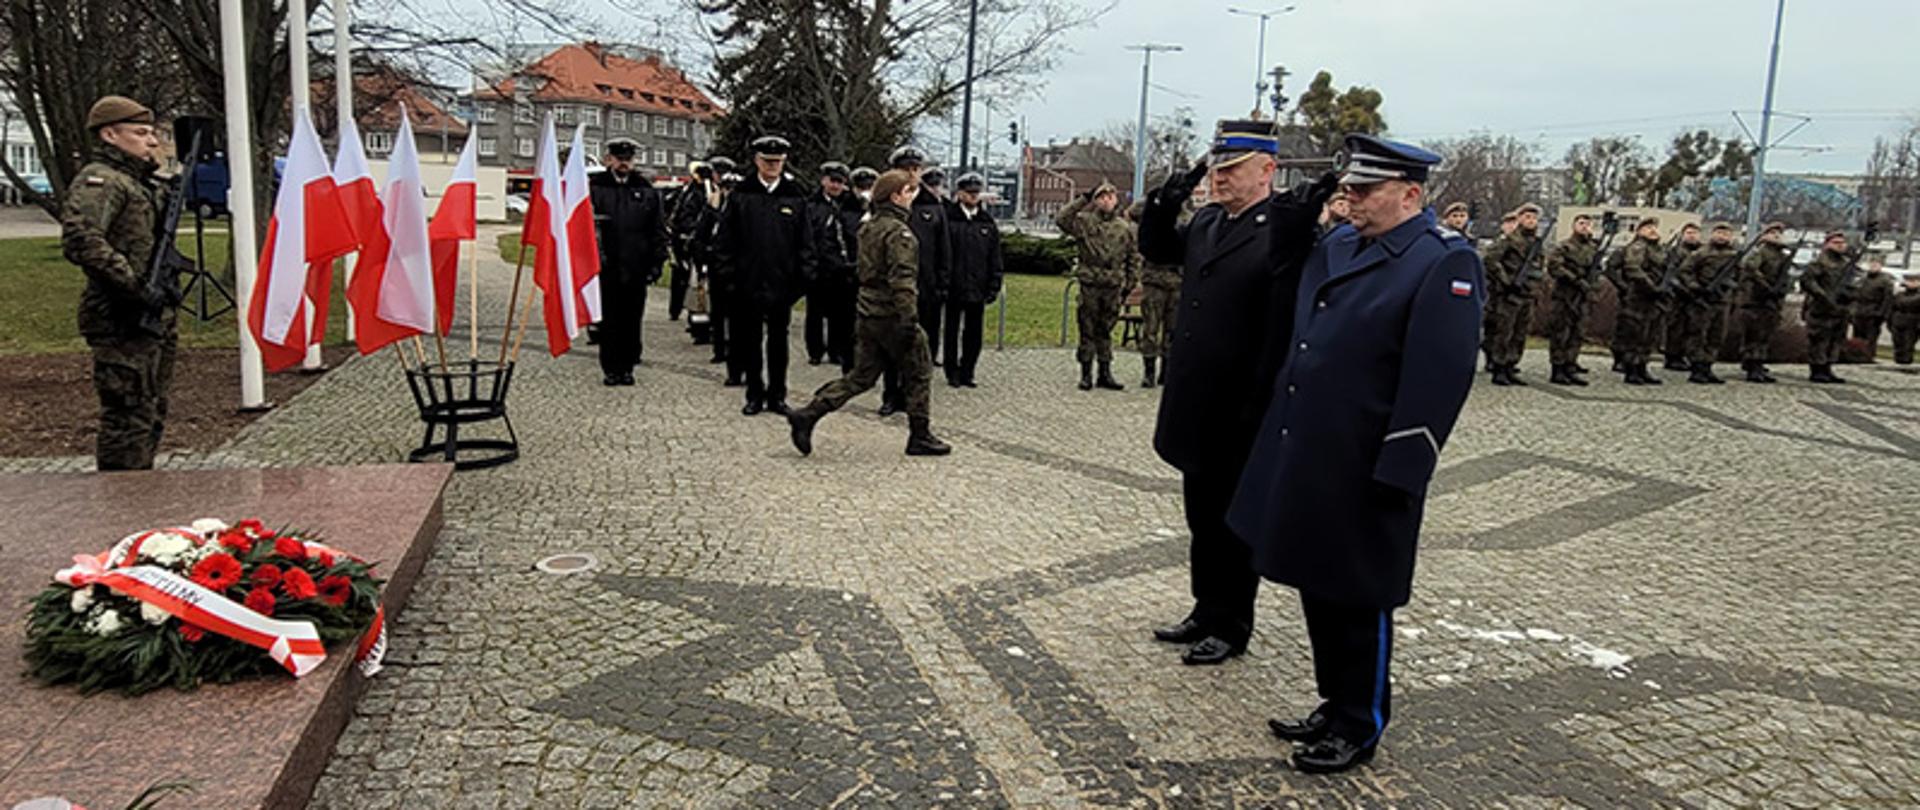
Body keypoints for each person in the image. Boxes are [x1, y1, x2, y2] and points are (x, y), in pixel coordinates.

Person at [1229, 134, 1483, 775]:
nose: (1351, 199)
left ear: (1410, 194)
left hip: (1368, 460)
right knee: (1318, 582)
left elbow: (1438, 378)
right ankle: (1332, 699)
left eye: (1364, 190)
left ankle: (1358, 722)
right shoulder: (1342, 243)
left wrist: (1401, 467)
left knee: (1358, 596)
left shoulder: (1442, 262)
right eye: (1348, 188)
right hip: (1312, 447)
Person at [1137, 117, 1333, 668]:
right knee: (1201, 515)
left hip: (1241, 403)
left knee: (1232, 521)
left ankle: (1231, 623)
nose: (1218, 180)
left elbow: (1279, 328)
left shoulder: (1282, 230)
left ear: (1267, 170)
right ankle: (1205, 607)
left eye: (1231, 170)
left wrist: (1262, 403)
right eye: (1216, 170)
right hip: (1196, 397)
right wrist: (1164, 200)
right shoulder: (1206, 222)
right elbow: (1158, 249)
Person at [785, 170, 952, 457]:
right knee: (920, 371)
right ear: (896, 196)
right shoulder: (900, 233)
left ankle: (810, 413)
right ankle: (920, 435)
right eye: (909, 192)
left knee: (861, 376)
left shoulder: (870, 226)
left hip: (868, 311)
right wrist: (909, 321)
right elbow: (902, 280)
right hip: (892, 314)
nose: (913, 198)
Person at [62, 95, 174, 471]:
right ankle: (122, 499)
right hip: (121, 314)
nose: (152, 142)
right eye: (140, 133)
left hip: (151, 313)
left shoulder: (137, 182)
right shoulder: (103, 181)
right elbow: (82, 240)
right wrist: (136, 286)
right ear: (110, 134)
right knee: (126, 415)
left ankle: (141, 486)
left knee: (150, 409)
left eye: (151, 133)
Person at [712, 135, 815, 415]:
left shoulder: (795, 196)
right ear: (757, 161)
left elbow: (806, 244)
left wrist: (801, 282)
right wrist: (730, 279)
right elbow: (724, 242)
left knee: (779, 344)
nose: (772, 166)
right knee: (750, 342)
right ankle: (754, 394)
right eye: (767, 161)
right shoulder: (741, 196)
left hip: (783, 284)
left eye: (778, 161)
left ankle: (777, 395)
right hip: (747, 283)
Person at [588, 138, 669, 386]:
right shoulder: (595, 188)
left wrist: (657, 262)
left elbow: (657, 229)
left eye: (628, 159)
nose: (624, 163)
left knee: (632, 318)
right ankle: (611, 368)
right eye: (619, 158)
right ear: (609, 159)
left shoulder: (646, 190)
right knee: (609, 319)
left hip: (637, 265)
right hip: (607, 265)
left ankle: (628, 365)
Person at [878, 146, 952, 416]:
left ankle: (916, 398)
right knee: (893, 345)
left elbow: (944, 251)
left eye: (915, 169)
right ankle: (891, 395)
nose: (911, 174)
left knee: (923, 348)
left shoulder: (932, 207)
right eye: (905, 169)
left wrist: (942, 284)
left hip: (926, 288)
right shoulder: (885, 205)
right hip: (896, 290)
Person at [1056, 182, 1137, 391]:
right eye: (1101, 197)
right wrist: (1083, 199)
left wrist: (1129, 284)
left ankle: (1105, 372)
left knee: (1106, 330)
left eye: (1110, 196)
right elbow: (1062, 219)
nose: (1106, 200)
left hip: (1113, 284)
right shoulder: (1084, 222)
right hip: (1091, 283)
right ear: (1096, 200)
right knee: (1087, 329)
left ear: (1116, 200)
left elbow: (1132, 258)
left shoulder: (1124, 227)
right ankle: (1085, 373)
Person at [943, 172, 1003, 387]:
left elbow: (994, 257)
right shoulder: (949, 219)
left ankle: (968, 371)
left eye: (976, 193)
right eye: (969, 193)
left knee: (974, 333)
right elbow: (943, 253)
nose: (973, 197)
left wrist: (994, 284)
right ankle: (952, 372)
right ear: (959, 194)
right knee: (951, 331)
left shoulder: (986, 222)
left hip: (978, 286)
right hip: (954, 286)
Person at [805, 161, 862, 370]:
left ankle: (837, 350)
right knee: (815, 313)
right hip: (820, 267)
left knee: (841, 314)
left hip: (844, 269)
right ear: (824, 181)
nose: (836, 186)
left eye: (840, 182)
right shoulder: (812, 205)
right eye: (832, 181)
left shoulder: (851, 206)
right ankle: (815, 350)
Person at [1481, 203, 1544, 385]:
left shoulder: (1536, 243)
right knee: (1505, 331)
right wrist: (1506, 280)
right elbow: (1490, 260)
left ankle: (1511, 365)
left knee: (1520, 333)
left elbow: (1539, 267)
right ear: (1519, 219)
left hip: (1527, 294)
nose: (1531, 221)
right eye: (1527, 217)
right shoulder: (1509, 240)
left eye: (1534, 218)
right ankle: (1499, 367)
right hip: (1509, 294)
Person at [1673, 223, 1737, 384]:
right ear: (1712, 235)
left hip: (1722, 301)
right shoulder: (1701, 253)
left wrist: (1731, 286)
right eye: (1719, 232)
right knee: (1698, 334)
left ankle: (1707, 366)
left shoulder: (1734, 256)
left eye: (1726, 233)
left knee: (1716, 336)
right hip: (1702, 300)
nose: (1722, 236)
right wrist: (1695, 286)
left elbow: (1741, 276)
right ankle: (1697, 368)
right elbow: (1684, 271)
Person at [1128, 199, 1182, 388]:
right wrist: (1156, 201)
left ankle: (1165, 372)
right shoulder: (1153, 215)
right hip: (1154, 281)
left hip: (1176, 282)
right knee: (1150, 329)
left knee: (1172, 331)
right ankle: (1149, 371)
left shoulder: (1185, 216)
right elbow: (1133, 212)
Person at [1544, 213, 1601, 385]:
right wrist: (1575, 279)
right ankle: (1558, 369)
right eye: (1581, 223)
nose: (1585, 227)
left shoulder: (1593, 248)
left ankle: (1570, 365)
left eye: (1588, 224)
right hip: (1565, 296)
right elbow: (1554, 266)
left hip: (1582, 296)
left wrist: (1591, 284)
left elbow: (1597, 269)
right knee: (1561, 333)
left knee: (1577, 333)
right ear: (1574, 226)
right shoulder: (1564, 247)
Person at [1734, 222, 1793, 383]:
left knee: (1765, 335)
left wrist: (1780, 291)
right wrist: (1766, 286)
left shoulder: (1782, 256)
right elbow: (1750, 268)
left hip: (1772, 302)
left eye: (1779, 233)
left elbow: (1786, 278)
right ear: (1764, 236)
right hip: (1756, 300)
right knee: (1754, 335)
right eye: (1772, 232)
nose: (1776, 235)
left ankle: (1759, 364)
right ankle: (1752, 366)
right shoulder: (1760, 252)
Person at [1615, 217, 1668, 384]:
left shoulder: (1659, 249)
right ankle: (1631, 369)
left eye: (1654, 227)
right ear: (1639, 231)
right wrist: (1651, 286)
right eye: (1647, 228)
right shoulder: (1638, 247)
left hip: (1654, 298)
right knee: (1636, 334)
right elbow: (1633, 269)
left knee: (1650, 334)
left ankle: (1642, 366)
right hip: (1639, 296)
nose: (1652, 230)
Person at [1800, 230, 1855, 383]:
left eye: (1842, 243)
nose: (1840, 246)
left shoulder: (1845, 263)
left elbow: (1854, 282)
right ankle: (1817, 369)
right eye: (1836, 243)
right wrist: (1823, 296)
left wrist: (1850, 294)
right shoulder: (1820, 262)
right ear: (1827, 244)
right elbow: (1808, 281)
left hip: (1840, 308)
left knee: (1835, 339)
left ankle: (1827, 367)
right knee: (1819, 339)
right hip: (1821, 307)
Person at [1659, 222, 1703, 371]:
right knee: (1676, 326)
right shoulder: (1675, 252)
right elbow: (1669, 272)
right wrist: (1681, 288)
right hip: (1677, 295)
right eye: (1689, 233)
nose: (1692, 236)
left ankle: (1687, 355)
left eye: (1695, 233)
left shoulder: (1702, 252)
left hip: (1695, 295)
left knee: (1693, 327)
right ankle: (1672, 357)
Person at [1851, 252, 1893, 360]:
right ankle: (1856, 356)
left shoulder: (1885, 281)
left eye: (1876, 264)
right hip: (1859, 313)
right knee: (1857, 337)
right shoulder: (1863, 279)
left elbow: (1887, 300)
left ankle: (1868, 357)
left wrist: (1881, 314)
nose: (1873, 266)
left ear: (1881, 266)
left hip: (1873, 314)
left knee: (1870, 339)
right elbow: (1855, 295)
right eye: (1871, 264)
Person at [1890, 272, 1920, 365]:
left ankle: (1906, 365)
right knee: (1897, 345)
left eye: (1914, 281)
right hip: (1898, 322)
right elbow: (1892, 308)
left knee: (1907, 347)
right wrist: (1890, 322)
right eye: (1909, 281)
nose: (1911, 283)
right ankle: (1898, 363)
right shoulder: (1899, 294)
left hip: (1912, 324)